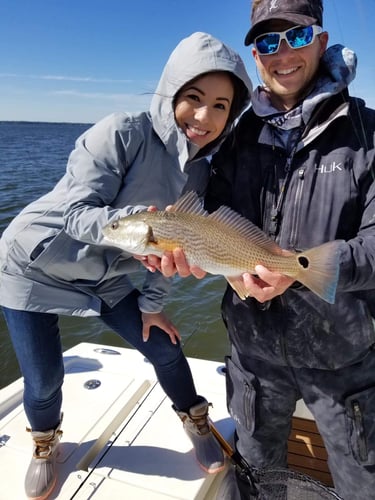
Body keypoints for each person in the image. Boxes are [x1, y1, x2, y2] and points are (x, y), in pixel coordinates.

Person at [0, 31, 252, 500]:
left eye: (221, 105)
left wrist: (154, 303)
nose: (204, 117)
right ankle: (44, 442)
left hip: (106, 275)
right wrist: (141, 229)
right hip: (31, 265)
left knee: (164, 346)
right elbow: (77, 213)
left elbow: (172, 251)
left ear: (232, 114)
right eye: (194, 98)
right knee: (44, 379)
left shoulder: (199, 172)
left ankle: (194, 416)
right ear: (172, 91)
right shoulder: (122, 130)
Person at [149, 2, 375, 499]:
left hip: (344, 358)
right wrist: (203, 260)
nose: (282, 53)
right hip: (253, 355)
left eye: (296, 36)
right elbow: (210, 216)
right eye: (267, 43)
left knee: (363, 482)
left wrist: (299, 270)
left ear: (321, 39)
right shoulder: (236, 134)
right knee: (254, 479)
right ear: (256, 55)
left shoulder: (367, 133)